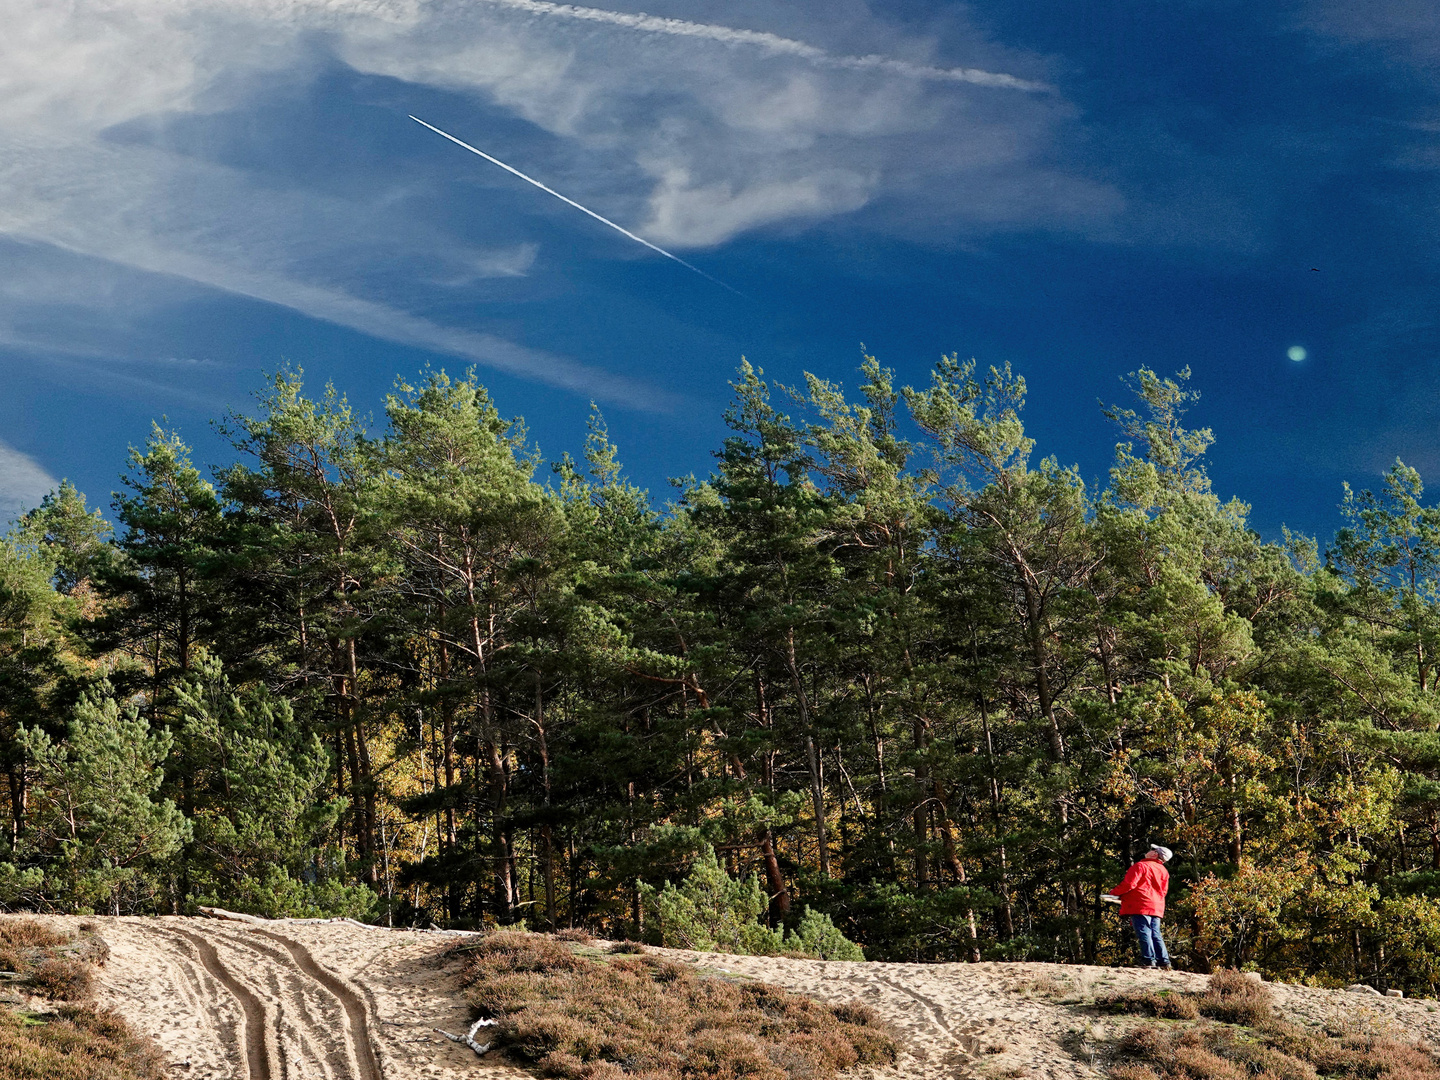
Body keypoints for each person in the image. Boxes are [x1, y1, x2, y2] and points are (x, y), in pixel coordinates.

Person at [1108, 844, 1173, 969]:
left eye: (1152, 850)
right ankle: (1164, 961)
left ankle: (1149, 960)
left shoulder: (1140, 866)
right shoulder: (1164, 871)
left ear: (1155, 854)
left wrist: (1113, 893)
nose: (1149, 851)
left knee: (1144, 932)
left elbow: (1129, 884)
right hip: (1157, 905)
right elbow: (1164, 891)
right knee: (1156, 933)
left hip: (1141, 904)